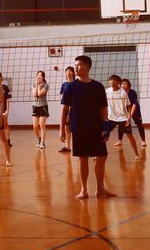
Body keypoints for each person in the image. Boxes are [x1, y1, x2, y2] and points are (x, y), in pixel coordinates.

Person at [61, 55, 114, 199]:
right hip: (78, 128)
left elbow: (103, 107)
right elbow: (65, 109)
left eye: (78, 65)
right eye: (75, 65)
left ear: (86, 67)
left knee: (102, 157)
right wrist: (62, 129)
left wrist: (106, 125)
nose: (75, 67)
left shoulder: (97, 86)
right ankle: (84, 190)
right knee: (82, 158)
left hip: (96, 128)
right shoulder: (71, 86)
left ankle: (100, 188)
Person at [108, 75, 141, 158]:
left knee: (130, 136)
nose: (112, 82)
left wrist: (129, 118)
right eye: (111, 80)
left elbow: (129, 106)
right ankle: (98, 154)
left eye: (114, 80)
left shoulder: (123, 93)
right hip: (111, 118)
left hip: (123, 118)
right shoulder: (107, 91)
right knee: (103, 134)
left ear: (118, 83)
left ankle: (136, 154)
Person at [120, 78, 146, 150]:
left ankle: (143, 141)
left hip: (135, 110)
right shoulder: (120, 93)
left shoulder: (132, 92)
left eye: (125, 84)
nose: (123, 85)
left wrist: (130, 115)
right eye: (122, 84)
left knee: (139, 124)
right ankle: (119, 141)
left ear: (128, 85)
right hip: (125, 111)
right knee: (122, 124)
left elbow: (134, 104)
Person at [58, 66, 75, 153]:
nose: (68, 72)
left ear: (73, 73)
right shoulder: (64, 85)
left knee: (74, 129)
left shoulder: (76, 83)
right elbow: (62, 98)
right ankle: (67, 146)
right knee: (67, 128)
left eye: (70, 71)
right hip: (66, 108)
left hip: (74, 108)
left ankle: (75, 147)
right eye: (67, 71)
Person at [31, 71, 49, 148]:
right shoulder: (33, 85)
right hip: (35, 106)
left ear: (43, 77)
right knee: (35, 126)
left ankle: (43, 142)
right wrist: (37, 85)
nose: (38, 77)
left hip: (43, 106)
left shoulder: (46, 85)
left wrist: (38, 85)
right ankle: (39, 138)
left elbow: (39, 94)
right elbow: (34, 94)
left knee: (42, 125)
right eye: (37, 75)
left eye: (40, 76)